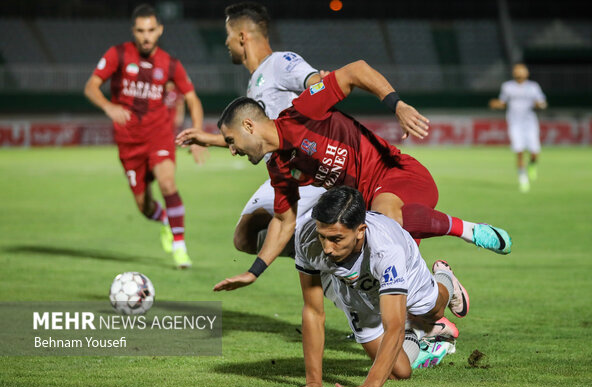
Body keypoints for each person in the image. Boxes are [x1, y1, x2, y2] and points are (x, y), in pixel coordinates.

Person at [191, 59, 511, 292]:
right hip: (372, 206)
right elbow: (284, 222)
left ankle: (467, 229)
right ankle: (441, 290)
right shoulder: (280, 167)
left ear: (249, 126)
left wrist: (396, 105)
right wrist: (254, 271)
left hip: (399, 174)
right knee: (382, 265)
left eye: (231, 141)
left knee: (380, 225)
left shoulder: (304, 111)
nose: (231, 149)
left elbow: (355, 70)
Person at [292, 186, 469, 387]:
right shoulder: (306, 237)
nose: (327, 248)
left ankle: (444, 278)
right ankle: (417, 335)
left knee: (433, 311)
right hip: (354, 291)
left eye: (336, 239)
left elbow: (393, 326)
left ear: (360, 230)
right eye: (322, 237)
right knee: (399, 373)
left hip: (406, 272)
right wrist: (314, 383)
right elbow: (313, 310)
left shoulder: (387, 249)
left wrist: (372, 384)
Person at [176, 1, 326, 257]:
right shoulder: (255, 81)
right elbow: (254, 137)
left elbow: (316, 82)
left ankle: (330, 255)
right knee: (244, 237)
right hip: (281, 173)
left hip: (307, 172)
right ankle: (317, 253)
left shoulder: (280, 62)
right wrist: (209, 140)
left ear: (242, 37)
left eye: (229, 36)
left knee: (267, 232)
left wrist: (318, 90)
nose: (226, 43)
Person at [84, 4, 204, 268]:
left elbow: (192, 98)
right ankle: (162, 219)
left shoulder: (171, 64)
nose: (146, 36)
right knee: (143, 205)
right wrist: (108, 106)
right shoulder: (118, 54)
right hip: (128, 143)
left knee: (167, 183)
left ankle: (180, 245)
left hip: (158, 136)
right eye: (140, 31)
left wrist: (197, 134)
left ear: (159, 30)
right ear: (133, 31)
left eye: (151, 30)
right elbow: (91, 86)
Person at [490, 63, 547, 193]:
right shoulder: (508, 87)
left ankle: (532, 165)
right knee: (519, 151)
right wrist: (496, 104)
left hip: (530, 123)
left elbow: (542, 102)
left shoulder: (533, 87)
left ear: (526, 73)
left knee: (534, 153)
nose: (519, 73)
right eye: (517, 71)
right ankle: (523, 178)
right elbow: (503, 102)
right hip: (515, 123)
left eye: (522, 70)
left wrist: (540, 105)